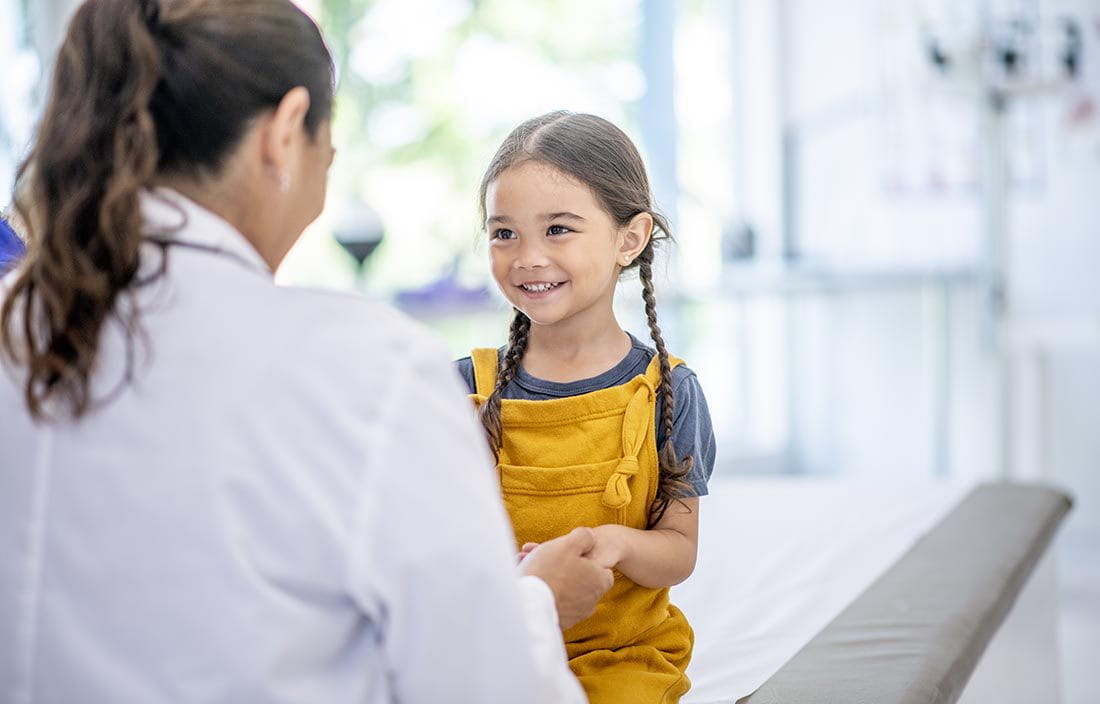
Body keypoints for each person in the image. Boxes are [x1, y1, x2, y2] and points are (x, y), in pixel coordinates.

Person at [0, 2, 612, 702]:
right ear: (285, 132)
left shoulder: (17, 326)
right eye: (330, 142)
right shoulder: (366, 373)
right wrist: (533, 604)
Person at [455, 111, 718, 703]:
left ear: (631, 237)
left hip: (623, 661)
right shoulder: (465, 389)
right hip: (496, 656)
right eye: (504, 233)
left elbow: (679, 551)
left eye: (558, 230)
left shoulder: (668, 392)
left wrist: (617, 544)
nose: (526, 257)